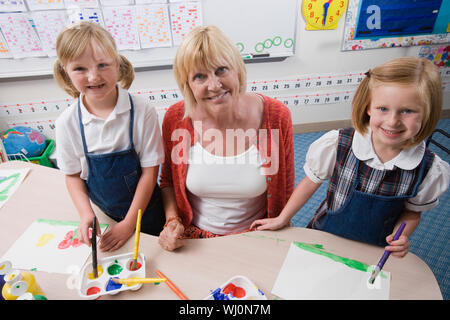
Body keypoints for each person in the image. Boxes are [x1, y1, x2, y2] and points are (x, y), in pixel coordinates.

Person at [251, 57, 449, 257]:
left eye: (407, 111)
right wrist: (283, 218)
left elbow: (413, 212)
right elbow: (310, 182)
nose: (392, 121)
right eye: (383, 108)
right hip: (324, 235)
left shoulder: (430, 170)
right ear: (368, 107)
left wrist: (402, 236)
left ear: (427, 113)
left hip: (375, 249)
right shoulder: (338, 144)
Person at [158, 25, 295, 251]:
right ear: (188, 85)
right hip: (194, 240)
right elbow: (168, 183)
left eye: (221, 70)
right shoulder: (176, 118)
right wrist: (172, 221)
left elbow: (286, 188)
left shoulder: (277, 116)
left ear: (237, 70)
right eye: (200, 76)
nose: (214, 85)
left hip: (258, 237)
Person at [54, 22, 165, 252]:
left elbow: (150, 172)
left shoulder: (142, 111)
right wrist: (86, 214)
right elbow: (73, 176)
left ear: (117, 63)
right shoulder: (67, 122)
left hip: (148, 212)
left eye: (102, 65)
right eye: (80, 69)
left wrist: (129, 224)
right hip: (105, 216)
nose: (93, 76)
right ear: (66, 71)